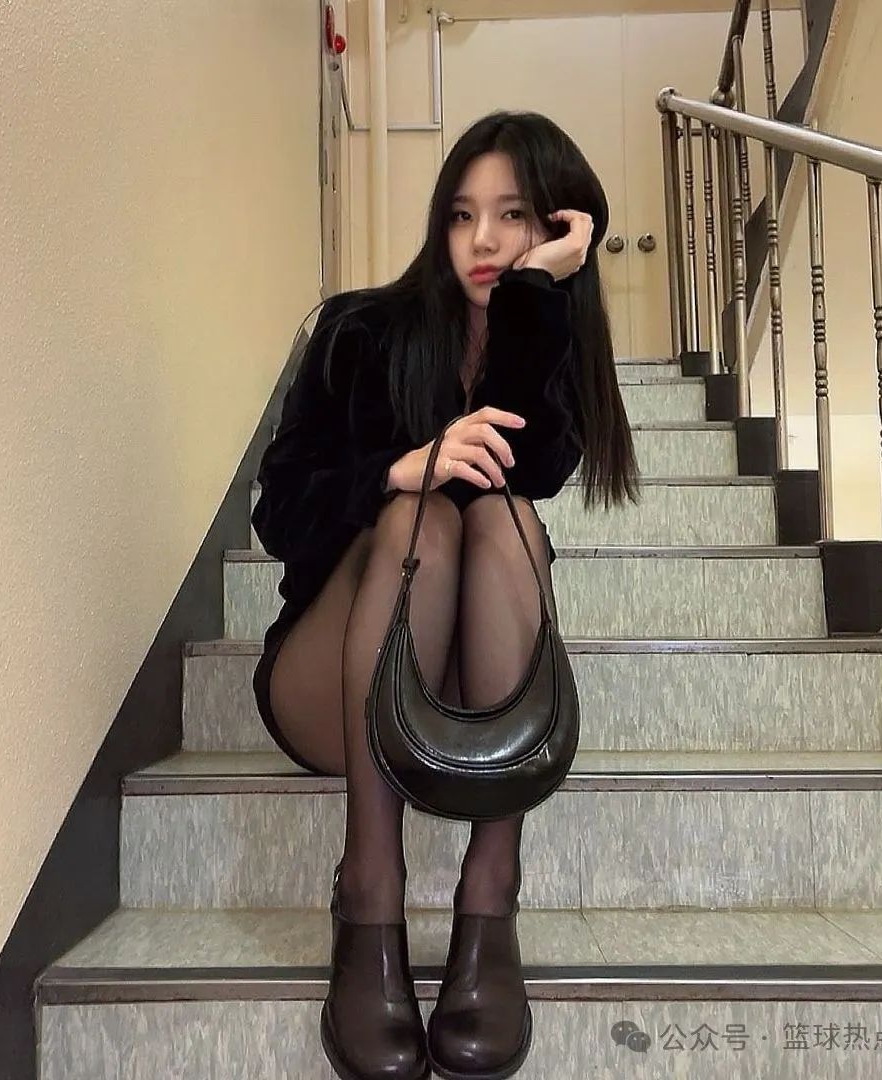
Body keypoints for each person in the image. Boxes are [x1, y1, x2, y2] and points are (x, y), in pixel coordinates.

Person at [250, 110, 639, 1080]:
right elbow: (280, 512)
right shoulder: (356, 331)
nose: (483, 240)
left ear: (556, 229)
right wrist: (397, 470)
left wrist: (534, 298)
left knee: (506, 519)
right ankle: (368, 890)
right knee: (418, 516)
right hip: (333, 683)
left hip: (470, 698)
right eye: (463, 215)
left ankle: (490, 892)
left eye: (513, 216)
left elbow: (522, 464)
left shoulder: (546, 346)